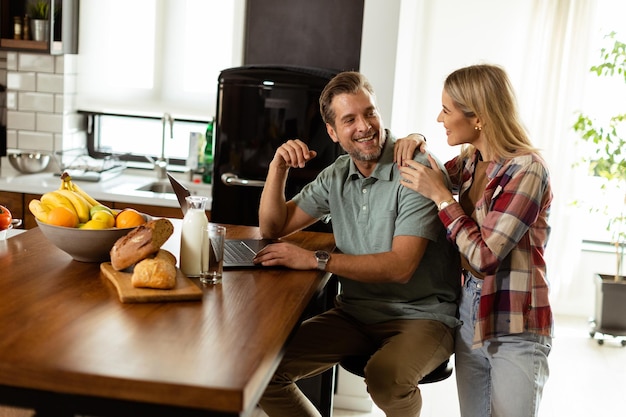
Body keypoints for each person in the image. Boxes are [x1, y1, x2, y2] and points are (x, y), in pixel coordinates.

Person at [255, 71, 461, 417]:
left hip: (423, 316)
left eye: (370, 113)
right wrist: (278, 167)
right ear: (333, 132)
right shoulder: (336, 175)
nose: (365, 126)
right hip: (356, 313)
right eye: (350, 119)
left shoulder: (415, 169)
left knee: (386, 378)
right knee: (262, 370)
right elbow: (273, 226)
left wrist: (315, 259)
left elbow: (400, 266)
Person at [395, 64, 553, 417]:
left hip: (514, 319)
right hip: (469, 310)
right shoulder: (470, 162)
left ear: (478, 117)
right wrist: (415, 138)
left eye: (447, 110)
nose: (440, 118)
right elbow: (427, 171)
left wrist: (442, 197)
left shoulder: (526, 169)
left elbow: (485, 257)